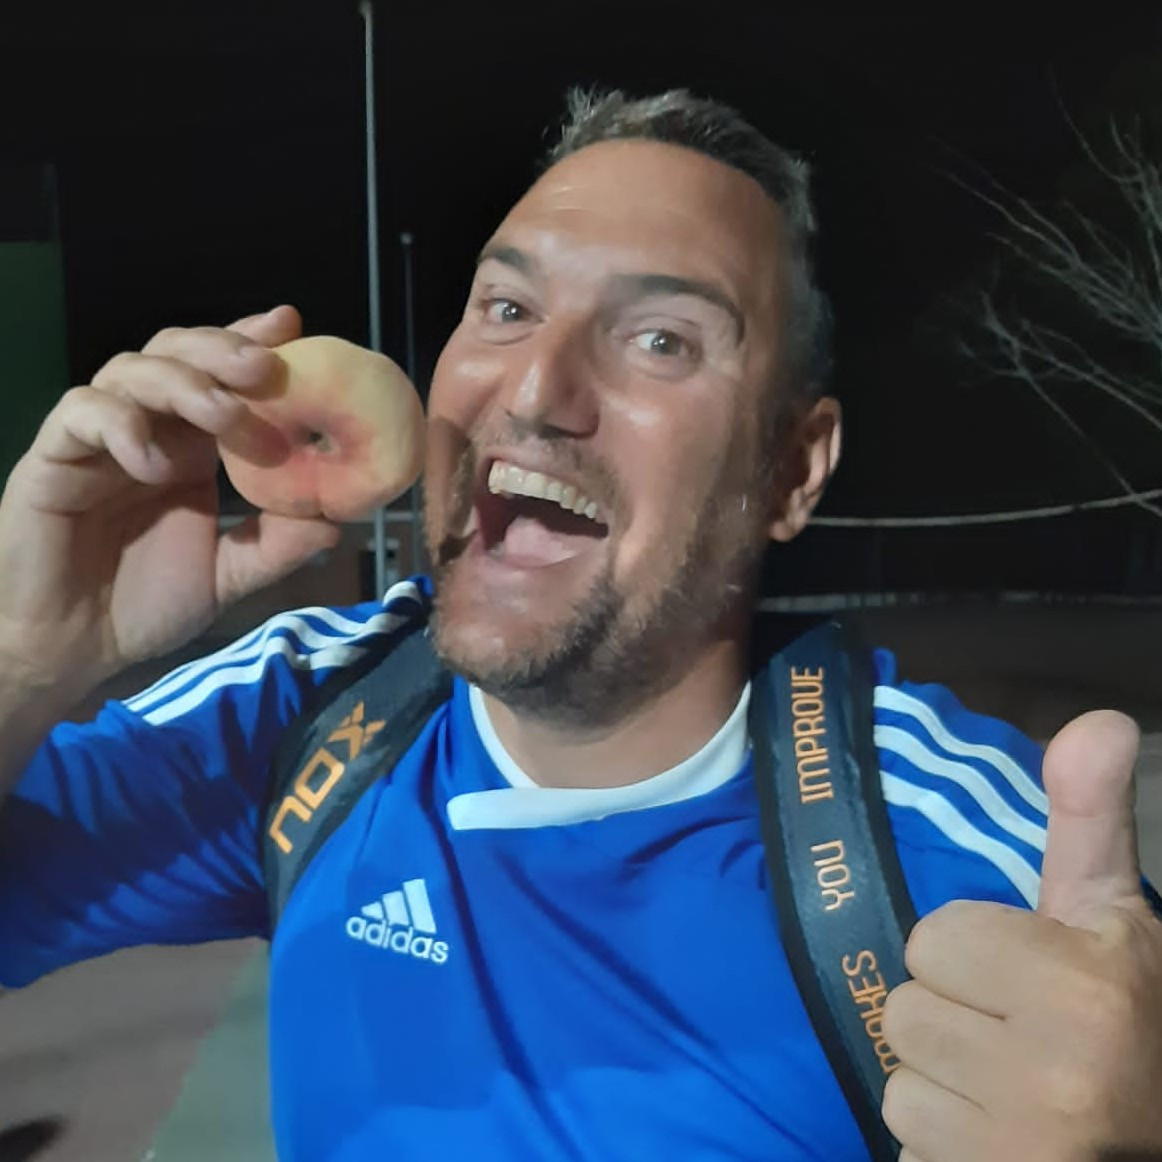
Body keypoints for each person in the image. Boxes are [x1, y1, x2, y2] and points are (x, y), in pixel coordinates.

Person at [0, 88, 1159, 1162]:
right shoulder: (298, 715)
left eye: (660, 339)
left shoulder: (953, 850)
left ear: (791, 470)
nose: (534, 390)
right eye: (507, 308)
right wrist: (21, 649)